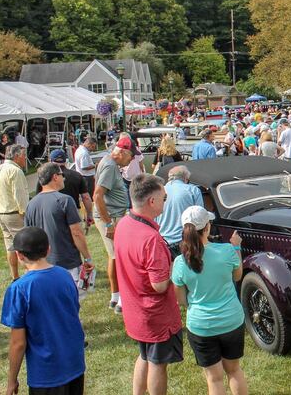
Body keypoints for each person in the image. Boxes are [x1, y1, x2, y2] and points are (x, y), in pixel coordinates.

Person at [115, 174, 183, 395]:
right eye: (164, 198)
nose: (166, 201)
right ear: (151, 201)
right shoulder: (151, 239)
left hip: (135, 310)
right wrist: (176, 267)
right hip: (154, 315)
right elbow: (160, 285)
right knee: (157, 364)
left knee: (144, 356)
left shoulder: (124, 224)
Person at [1, 227, 86, 395]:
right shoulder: (65, 275)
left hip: (46, 372)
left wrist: (12, 380)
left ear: (19, 255)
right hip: (74, 363)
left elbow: (18, 343)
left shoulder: (19, 289)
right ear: (48, 249)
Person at [172, 206, 248, 395]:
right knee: (234, 370)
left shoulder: (180, 262)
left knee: (214, 379)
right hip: (231, 320)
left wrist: (195, 306)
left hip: (201, 326)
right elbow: (237, 276)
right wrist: (237, 246)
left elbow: (180, 299)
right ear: (207, 227)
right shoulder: (227, 250)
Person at [26, 163, 94, 291]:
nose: (64, 178)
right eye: (62, 175)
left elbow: (28, 237)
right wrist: (87, 257)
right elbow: (77, 232)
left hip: (42, 265)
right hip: (67, 263)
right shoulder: (65, 201)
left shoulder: (31, 204)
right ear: (55, 177)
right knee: (71, 303)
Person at [93, 137, 135, 313]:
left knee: (114, 256)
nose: (131, 161)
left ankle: (115, 296)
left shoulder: (108, 162)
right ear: (123, 152)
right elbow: (97, 195)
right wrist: (109, 223)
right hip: (111, 217)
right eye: (131, 157)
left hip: (112, 215)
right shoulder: (110, 165)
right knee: (120, 257)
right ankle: (122, 301)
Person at [0, 144, 29, 280]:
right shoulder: (15, 171)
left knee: (10, 247)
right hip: (14, 213)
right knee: (25, 246)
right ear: (17, 156)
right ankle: (28, 275)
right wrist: (25, 213)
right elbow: (20, 195)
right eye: (24, 155)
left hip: (2, 213)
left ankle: (15, 276)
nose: (25, 158)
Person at [156, 165, 204, 259]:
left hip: (162, 242)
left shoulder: (158, 191)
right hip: (185, 241)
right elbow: (200, 216)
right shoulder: (193, 190)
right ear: (186, 178)